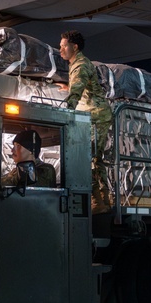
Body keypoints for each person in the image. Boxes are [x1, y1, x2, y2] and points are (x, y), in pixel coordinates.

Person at [58, 30, 112, 213]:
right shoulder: (79, 64)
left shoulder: (80, 65)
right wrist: (68, 86)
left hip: (95, 116)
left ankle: (98, 201)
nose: (60, 50)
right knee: (94, 158)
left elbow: (76, 94)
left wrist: (64, 114)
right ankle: (103, 200)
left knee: (89, 158)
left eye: (64, 46)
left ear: (75, 47)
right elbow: (82, 86)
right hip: (94, 114)